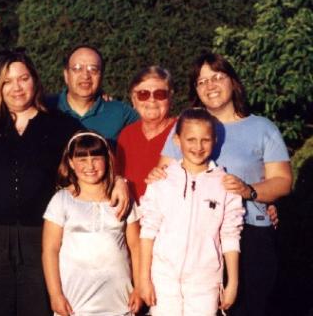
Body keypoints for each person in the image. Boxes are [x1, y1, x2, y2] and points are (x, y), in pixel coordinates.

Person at [155, 52, 292, 315]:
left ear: (233, 82)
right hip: (193, 241)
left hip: (249, 236)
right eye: (201, 81)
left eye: (217, 77)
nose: (210, 85)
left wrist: (250, 191)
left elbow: (283, 181)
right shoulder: (187, 126)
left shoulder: (262, 127)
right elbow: (164, 174)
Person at [0, 49, 84, 316]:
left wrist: (121, 181)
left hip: (40, 237)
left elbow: (97, 155)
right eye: (7, 81)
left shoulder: (59, 125)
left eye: (23, 78)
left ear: (35, 79)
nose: (17, 88)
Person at [139, 108, 245, 316]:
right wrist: (144, 278)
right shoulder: (161, 181)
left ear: (214, 140)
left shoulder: (225, 184)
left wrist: (232, 282)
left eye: (205, 140)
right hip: (163, 280)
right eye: (191, 139)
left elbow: (230, 235)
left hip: (205, 282)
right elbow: (148, 231)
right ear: (177, 141)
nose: (198, 147)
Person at [42, 131, 142, 316]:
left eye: (96, 158)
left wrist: (139, 288)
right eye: (82, 159)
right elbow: (50, 250)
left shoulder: (123, 199)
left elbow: (136, 247)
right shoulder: (61, 200)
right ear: (71, 163)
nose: (90, 166)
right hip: (76, 303)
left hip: (119, 300)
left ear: (107, 159)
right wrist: (55, 295)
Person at [47, 44, 139, 145]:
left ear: (101, 75)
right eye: (77, 69)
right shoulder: (45, 108)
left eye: (93, 69)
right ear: (66, 75)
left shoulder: (121, 113)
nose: (85, 76)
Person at [116, 66, 176, 203]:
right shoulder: (127, 134)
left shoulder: (183, 130)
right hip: (132, 217)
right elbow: (117, 176)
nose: (152, 100)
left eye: (160, 94)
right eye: (143, 94)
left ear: (170, 98)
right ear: (133, 100)